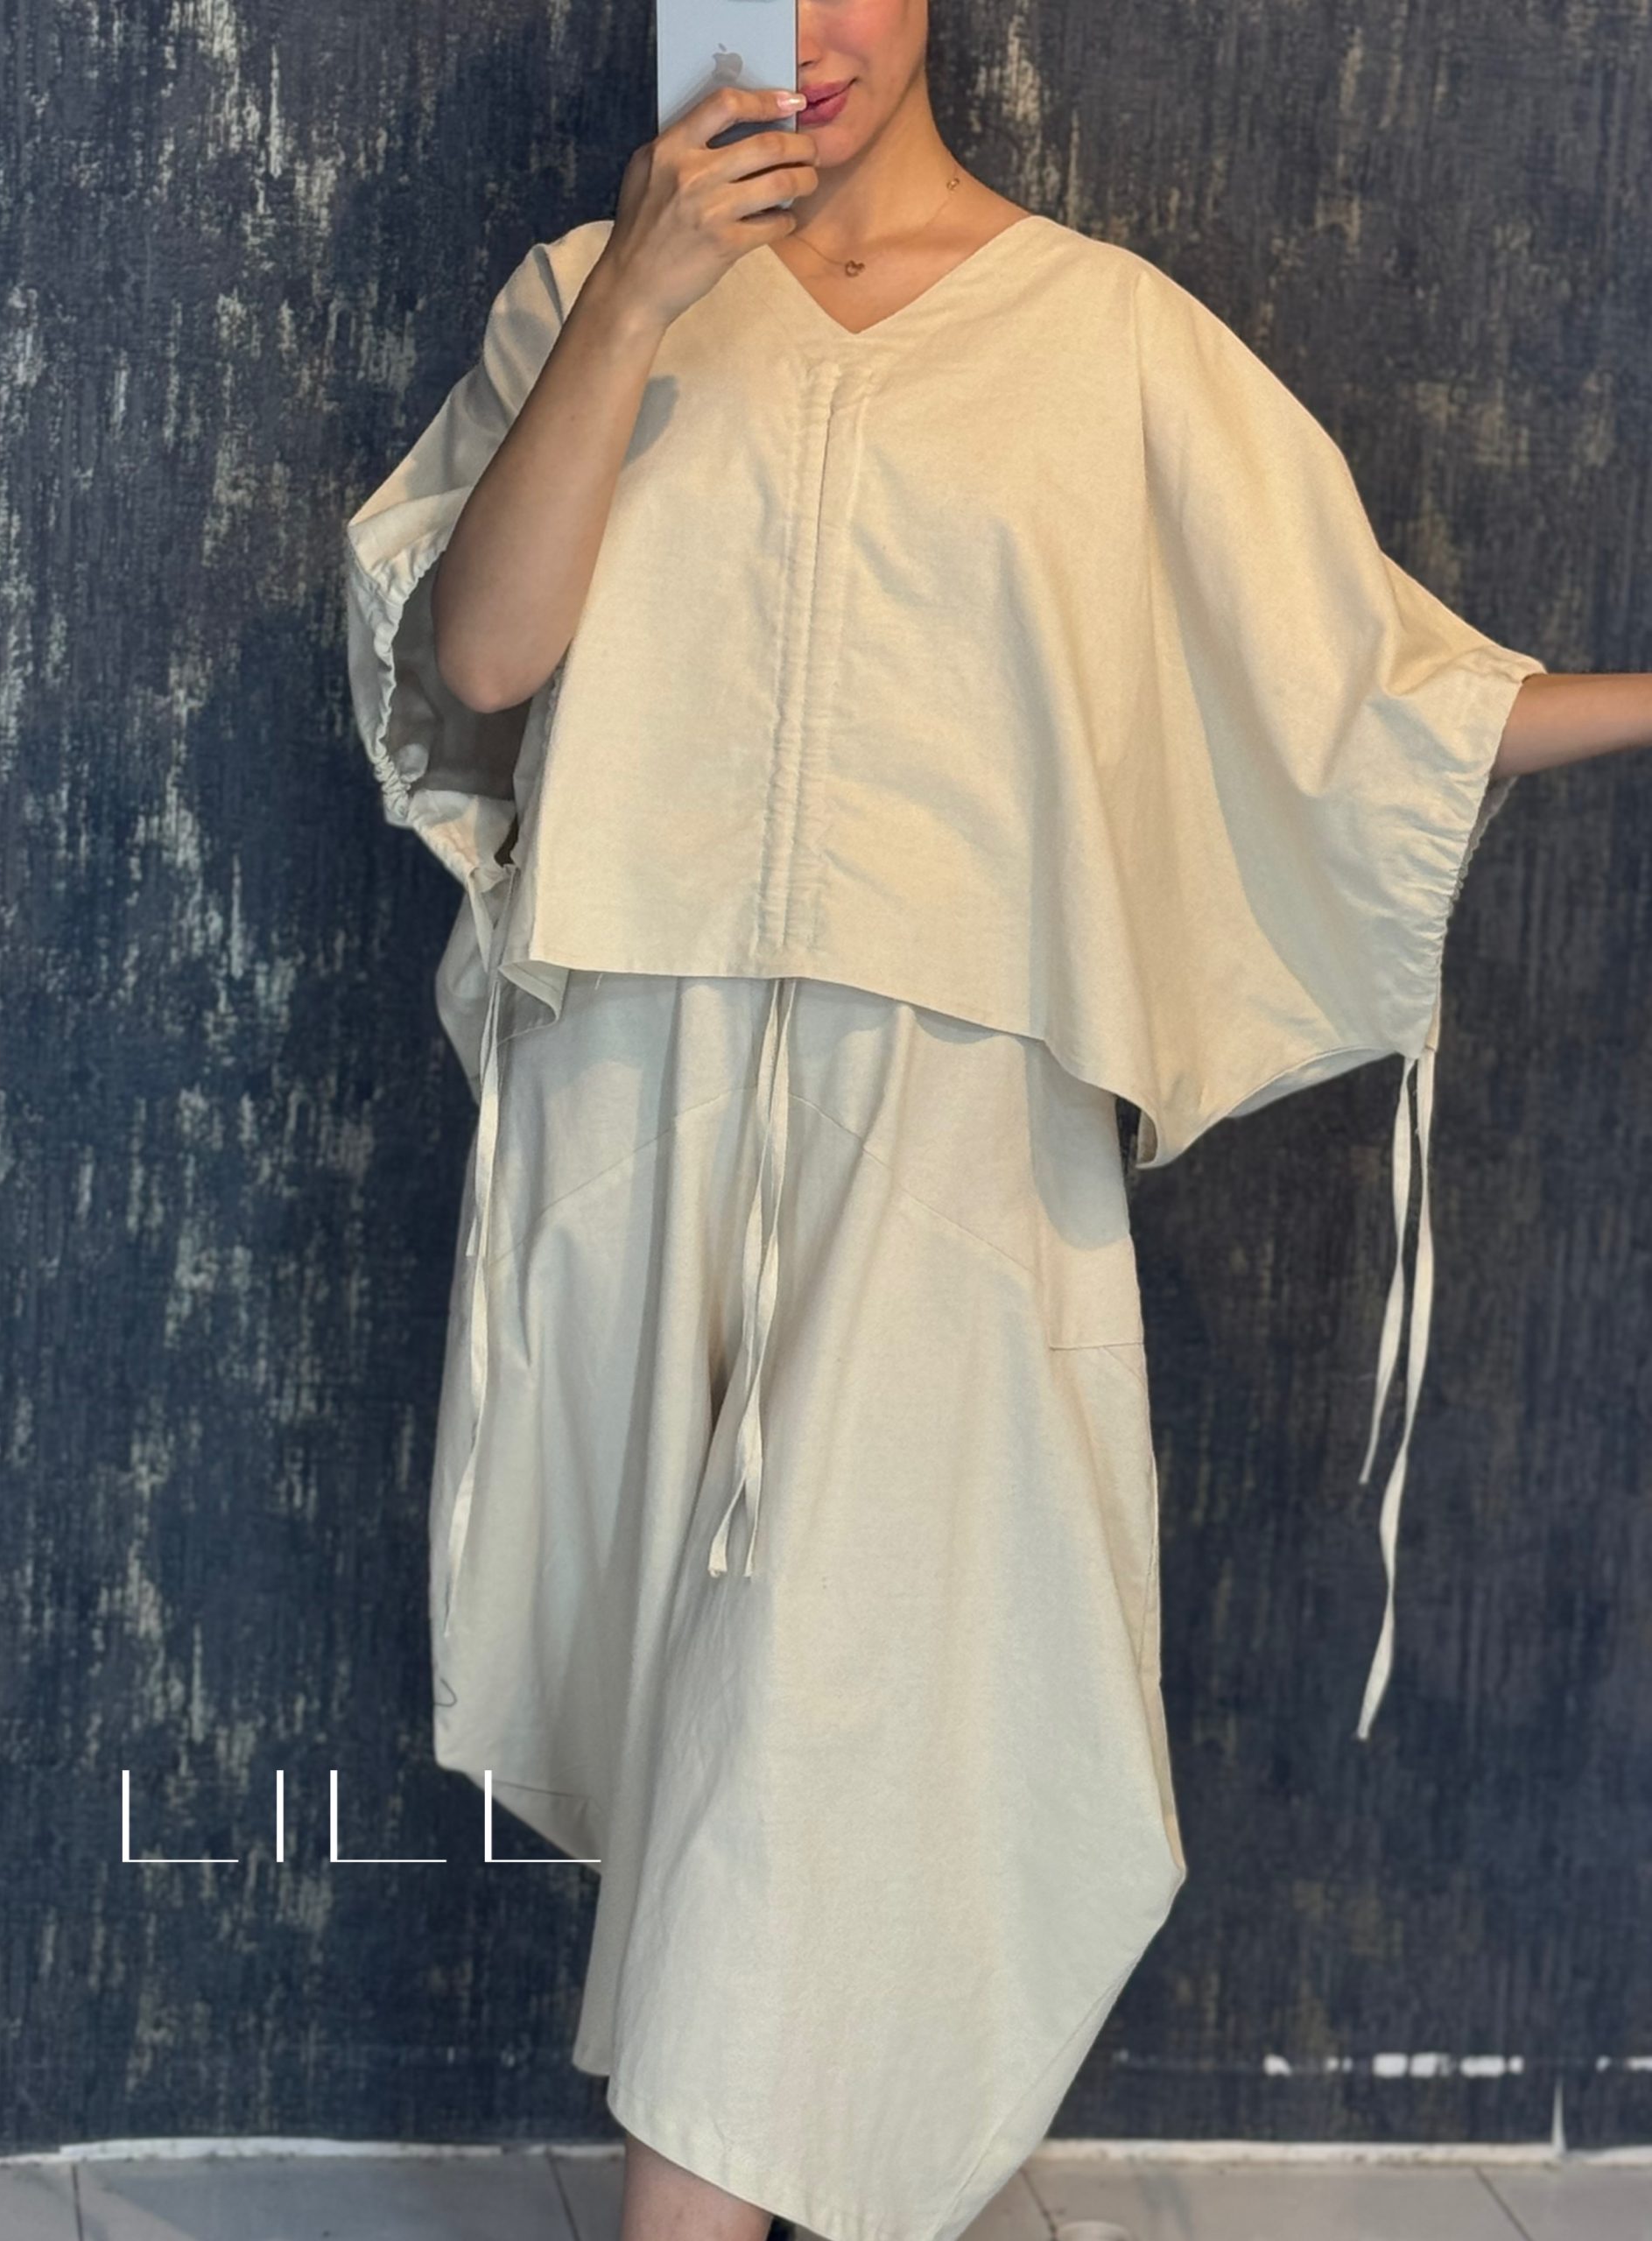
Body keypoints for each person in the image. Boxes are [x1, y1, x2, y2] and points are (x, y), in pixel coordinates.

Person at [341, 6, 1647, 2238]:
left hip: (950, 1135)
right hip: (636, 1105)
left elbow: (1364, 695)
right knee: (731, 1732)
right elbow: (478, 660)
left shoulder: (1107, 344)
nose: (813, 34)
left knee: (826, 1688)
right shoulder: (585, 288)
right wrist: (642, 298)